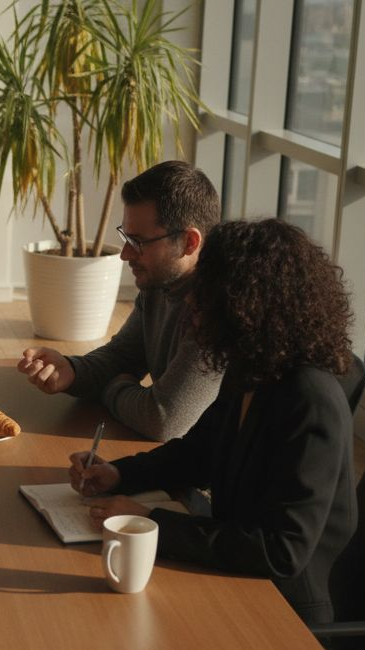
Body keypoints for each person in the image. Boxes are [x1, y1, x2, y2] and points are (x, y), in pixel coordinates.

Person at [68, 218, 357, 626]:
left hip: (286, 612)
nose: (191, 303)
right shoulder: (252, 367)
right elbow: (199, 452)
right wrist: (118, 474)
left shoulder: (310, 400)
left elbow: (281, 551)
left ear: (248, 306)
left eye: (206, 295)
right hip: (232, 571)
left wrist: (151, 521)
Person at [18, 161, 223, 441]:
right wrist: (72, 371)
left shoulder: (219, 307)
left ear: (189, 242)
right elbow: (122, 356)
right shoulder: (160, 284)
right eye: (126, 237)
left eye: (138, 241)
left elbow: (162, 420)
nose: (125, 254)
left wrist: (112, 387)